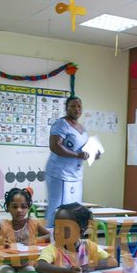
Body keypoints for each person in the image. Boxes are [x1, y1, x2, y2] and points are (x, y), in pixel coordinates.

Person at [45, 96, 100, 228]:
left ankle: (70, 236)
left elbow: (84, 149)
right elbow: (55, 146)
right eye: (73, 106)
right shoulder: (61, 124)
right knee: (57, 207)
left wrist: (94, 154)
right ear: (66, 108)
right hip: (59, 173)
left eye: (79, 106)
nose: (76, 109)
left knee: (75, 209)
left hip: (75, 174)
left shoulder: (82, 128)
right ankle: (50, 235)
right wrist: (77, 154)